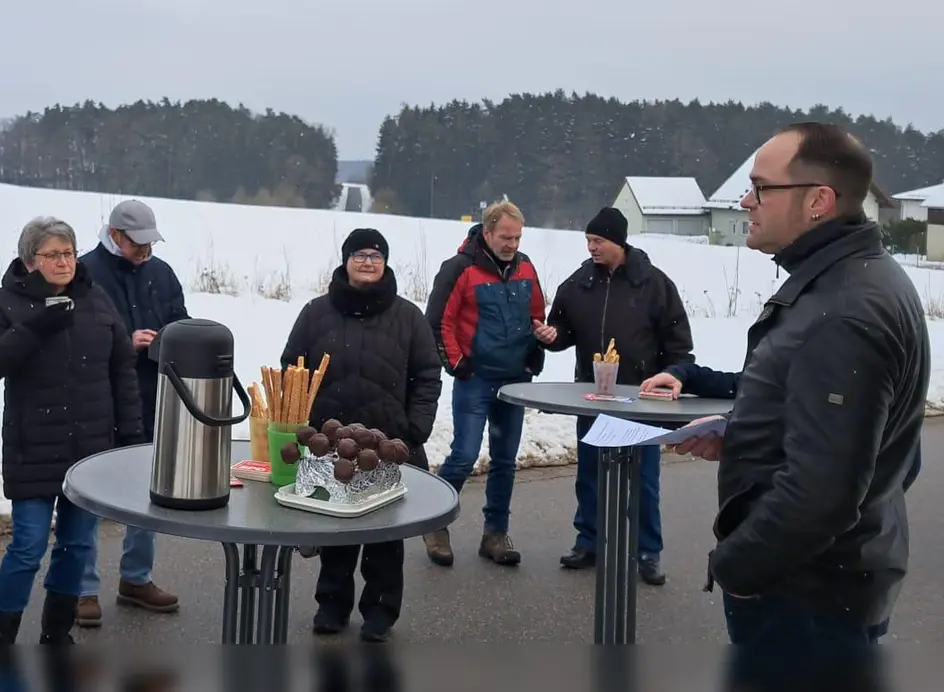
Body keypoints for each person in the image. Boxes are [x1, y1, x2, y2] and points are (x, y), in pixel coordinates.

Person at [647, 123, 927, 674]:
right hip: (831, 590)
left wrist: (738, 568)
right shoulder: (847, 284)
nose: (746, 201)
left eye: (760, 187)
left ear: (819, 200)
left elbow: (824, 493)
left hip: (806, 602)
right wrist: (744, 433)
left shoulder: (843, 310)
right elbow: (879, 447)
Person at [0, 217, 143, 645]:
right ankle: (0, 636)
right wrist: (34, 327)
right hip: (34, 448)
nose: (64, 262)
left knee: (77, 545)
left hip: (88, 452)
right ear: (31, 261)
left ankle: (56, 632)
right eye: (52, 255)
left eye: (68, 252)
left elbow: (122, 370)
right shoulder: (4, 303)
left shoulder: (96, 301)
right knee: (27, 547)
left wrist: (132, 439)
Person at [278, 228, 442, 642]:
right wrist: (309, 429)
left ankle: (380, 611)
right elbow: (291, 368)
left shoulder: (408, 317)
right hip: (331, 444)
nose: (367, 261)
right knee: (336, 528)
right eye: (359, 254)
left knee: (385, 533)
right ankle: (331, 605)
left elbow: (427, 376)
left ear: (385, 262)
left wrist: (414, 430)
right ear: (345, 259)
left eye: (375, 255)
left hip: (385, 444)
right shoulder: (316, 313)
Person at [534, 206, 694, 585]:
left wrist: (673, 374)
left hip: (642, 398)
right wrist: (552, 336)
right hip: (592, 397)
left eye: (598, 241)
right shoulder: (579, 283)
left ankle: (647, 552)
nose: (591, 247)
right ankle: (588, 541)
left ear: (618, 242)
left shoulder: (654, 284)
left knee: (643, 479)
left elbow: (679, 342)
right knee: (590, 475)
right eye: (588, 240)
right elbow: (562, 328)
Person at [75, 200, 187, 627]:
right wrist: (125, 340)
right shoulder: (85, 273)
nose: (145, 251)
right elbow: (77, 338)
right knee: (89, 493)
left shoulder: (162, 274)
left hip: (151, 397)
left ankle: (136, 578)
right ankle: (81, 588)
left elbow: (181, 319)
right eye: (138, 243)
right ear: (115, 234)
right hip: (97, 401)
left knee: (147, 491)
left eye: (150, 243)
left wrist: (171, 339)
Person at [421, 200, 546, 568]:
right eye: (505, 237)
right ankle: (435, 523)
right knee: (464, 454)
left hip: (515, 380)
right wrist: (458, 364)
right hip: (475, 379)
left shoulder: (526, 268)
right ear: (487, 232)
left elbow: (536, 313)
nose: (512, 244)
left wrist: (540, 340)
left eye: (518, 237)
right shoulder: (460, 269)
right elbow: (439, 321)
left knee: (505, 460)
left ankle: (495, 532)